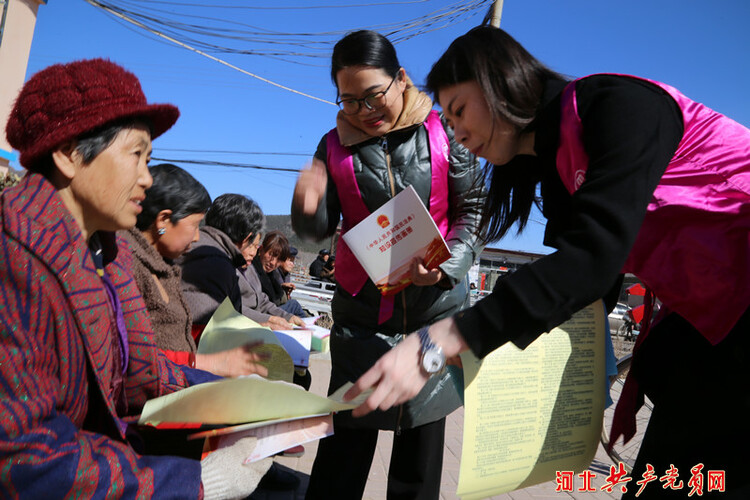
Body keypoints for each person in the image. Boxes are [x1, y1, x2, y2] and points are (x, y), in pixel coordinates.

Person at [345, 26, 750, 499]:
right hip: (711, 324)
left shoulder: (616, 106)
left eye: (459, 112)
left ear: (500, 84)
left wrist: (446, 338)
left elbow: (593, 262)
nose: (457, 133)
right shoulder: (557, 167)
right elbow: (588, 283)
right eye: (448, 122)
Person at [1, 58, 270, 499]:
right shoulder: (13, 258)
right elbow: (25, 460)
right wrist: (197, 484)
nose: (147, 178)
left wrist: (234, 393)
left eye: (150, 159)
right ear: (69, 153)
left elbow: (133, 375)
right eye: (136, 155)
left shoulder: (106, 252)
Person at [291, 30, 485, 499]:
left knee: (419, 461)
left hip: (434, 320)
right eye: (349, 100)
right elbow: (318, 230)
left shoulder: (444, 131)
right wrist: (307, 205)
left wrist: (446, 265)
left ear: (401, 79)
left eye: (373, 94)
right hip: (362, 322)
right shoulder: (332, 146)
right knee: (343, 454)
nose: (363, 110)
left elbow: (473, 211)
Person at [123, 163, 269, 377]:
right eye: (194, 225)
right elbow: (138, 360)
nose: (197, 237)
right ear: (163, 220)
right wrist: (207, 363)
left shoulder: (164, 266)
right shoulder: (129, 267)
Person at [180, 193, 305, 329]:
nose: (253, 251)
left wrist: (284, 317)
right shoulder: (217, 261)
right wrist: (265, 321)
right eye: (252, 245)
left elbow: (260, 300)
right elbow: (222, 314)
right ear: (246, 238)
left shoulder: (238, 262)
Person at [252, 230, 307, 317]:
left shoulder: (271, 274)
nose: (273, 262)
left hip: (268, 312)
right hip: (261, 316)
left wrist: (282, 289)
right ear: (261, 249)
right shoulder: (252, 271)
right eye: (271, 254)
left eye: (279, 259)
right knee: (294, 305)